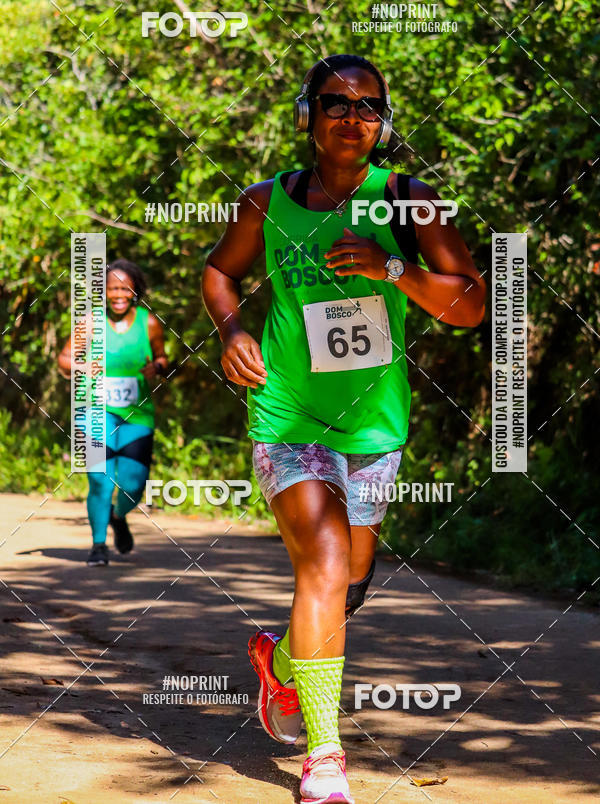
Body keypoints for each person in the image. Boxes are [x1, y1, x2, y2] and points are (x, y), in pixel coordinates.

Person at [202, 54, 486, 804]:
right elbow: (218, 273)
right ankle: (324, 757)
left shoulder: (409, 203)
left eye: (368, 107)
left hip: (373, 427)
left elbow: (470, 305)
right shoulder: (266, 202)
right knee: (324, 558)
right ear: (308, 115)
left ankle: (283, 665)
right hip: (290, 414)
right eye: (336, 103)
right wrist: (232, 332)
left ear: (384, 123)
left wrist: (390, 272)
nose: (353, 117)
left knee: (348, 584)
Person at [58, 259, 167, 566]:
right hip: (94, 410)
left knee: (134, 483)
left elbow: (162, 358)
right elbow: (64, 359)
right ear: (103, 293)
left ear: (135, 291)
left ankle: (118, 517)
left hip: (137, 413)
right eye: (111, 289)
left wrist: (156, 368)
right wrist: (80, 365)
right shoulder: (90, 323)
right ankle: (98, 546)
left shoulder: (149, 323)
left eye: (124, 288)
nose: (118, 295)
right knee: (100, 479)